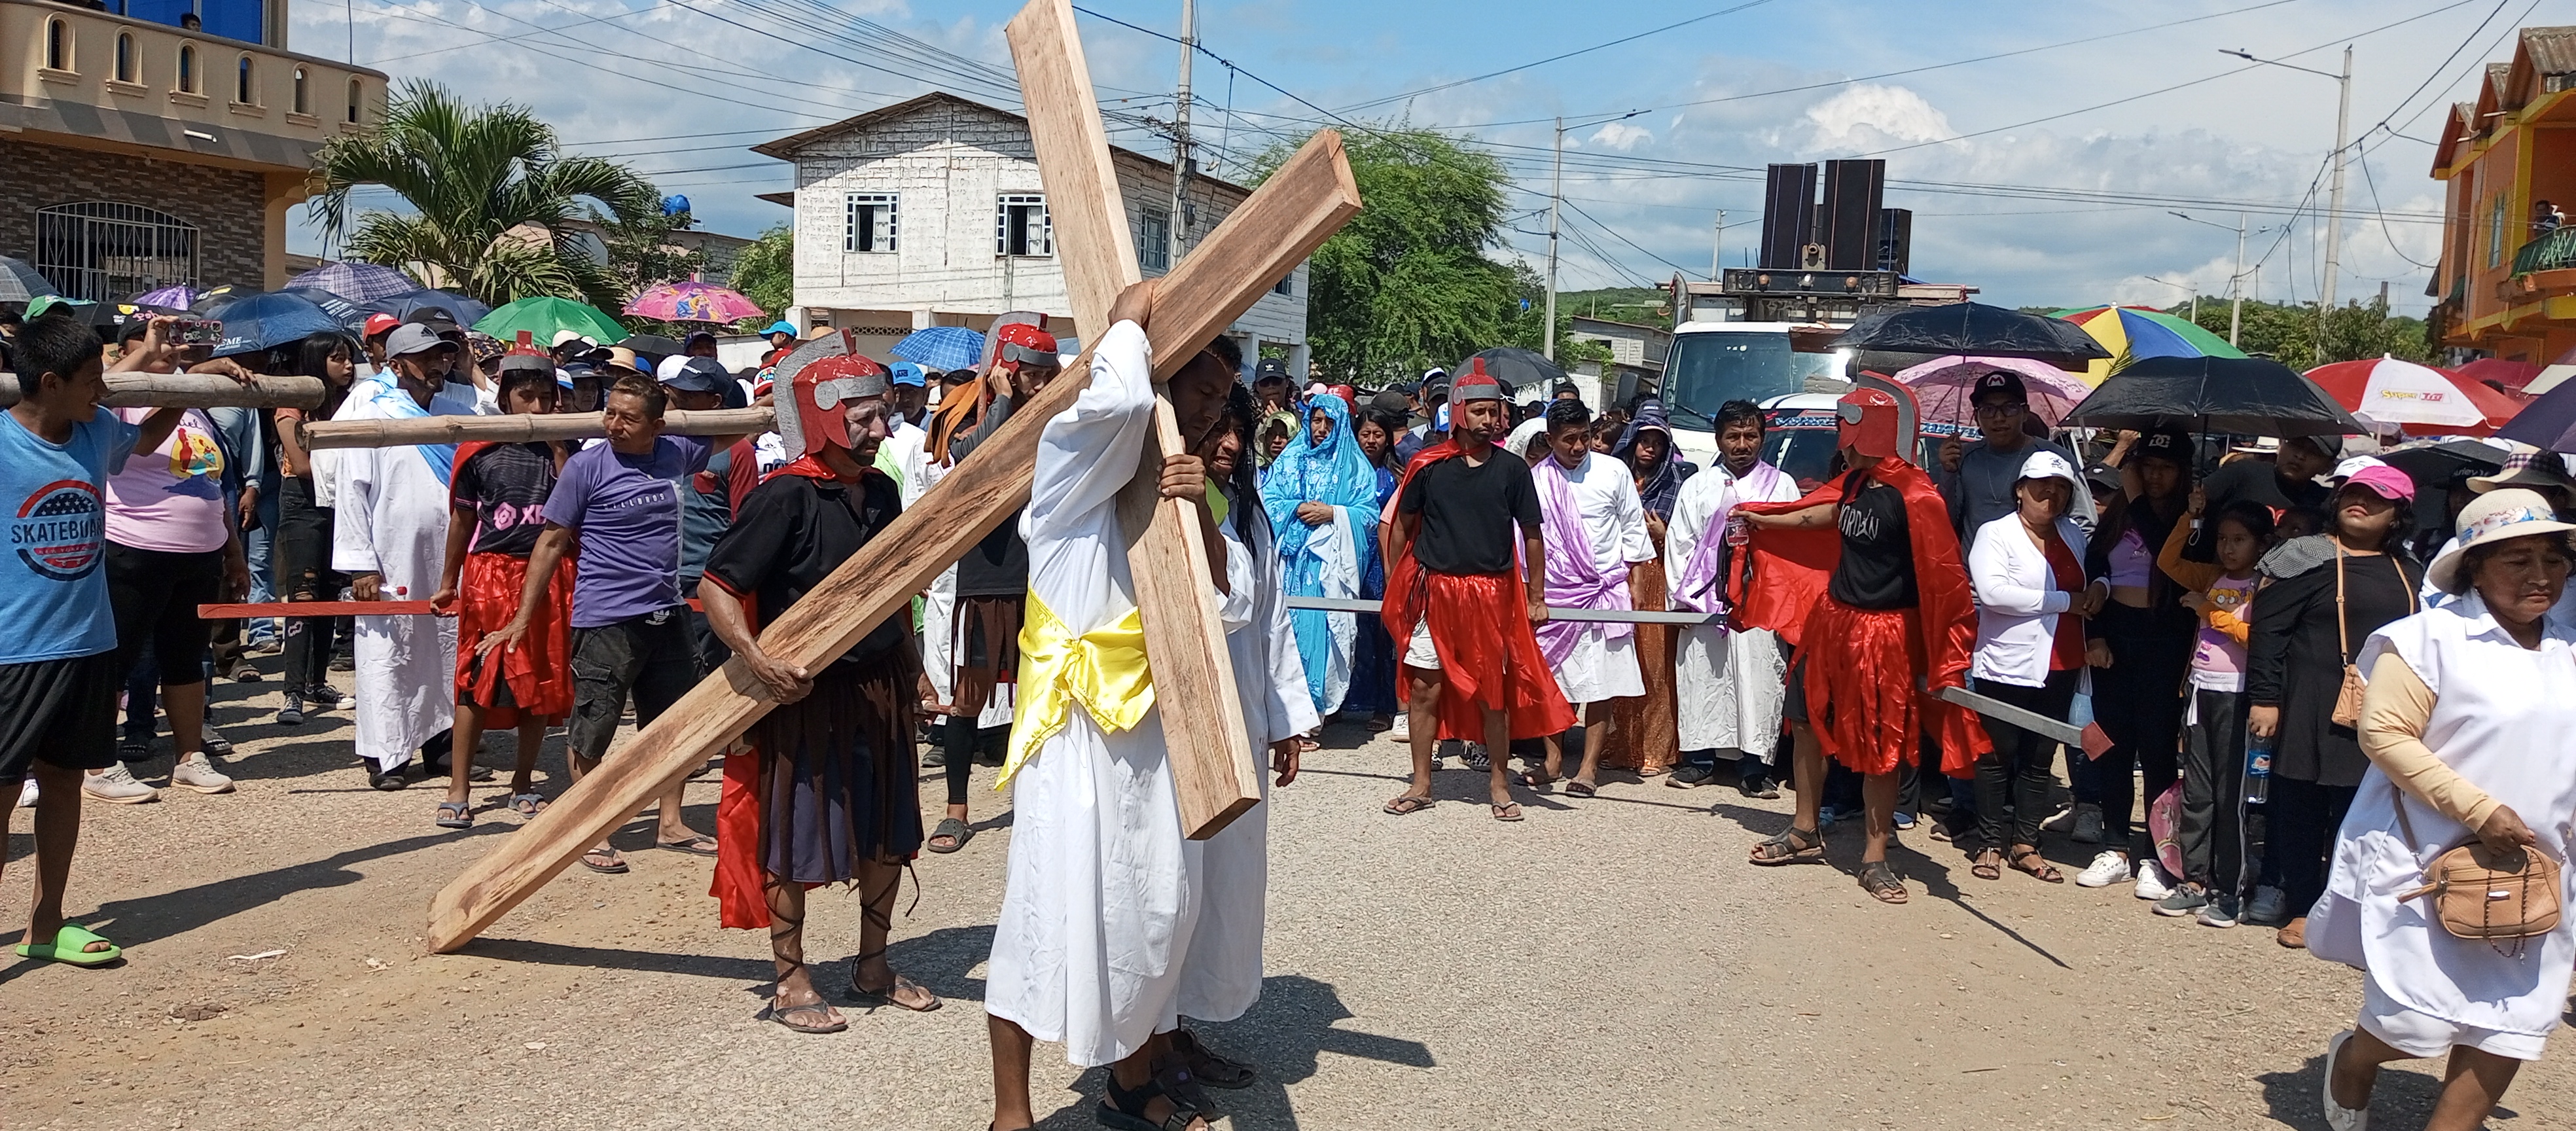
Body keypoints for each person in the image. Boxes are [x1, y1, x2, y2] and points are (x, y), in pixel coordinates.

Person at [984, 283, 1312, 1131]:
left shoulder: (1183, 490)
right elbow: (1119, 406)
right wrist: (1127, 327)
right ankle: (1012, 1112)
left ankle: (1130, 1085)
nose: (1212, 413)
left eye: (1222, 398)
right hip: (1079, 739)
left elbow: (1235, 601)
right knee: (1044, 914)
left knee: (1151, 914)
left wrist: (1194, 508)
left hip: (1158, 743)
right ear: (1159, 382)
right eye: (1201, 392)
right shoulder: (1067, 486)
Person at [2310, 488, 2575, 1131]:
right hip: (2427, 861)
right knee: (2414, 1021)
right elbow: (2384, 734)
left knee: (2512, 1023)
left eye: (2553, 558)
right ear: (2474, 568)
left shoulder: (2569, 649)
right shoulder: (2425, 640)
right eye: (2518, 560)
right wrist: (2478, 809)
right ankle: (2355, 1061)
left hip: (2540, 870)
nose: (2541, 575)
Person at [700, 351, 940, 1032]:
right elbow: (717, 588)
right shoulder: (784, 497)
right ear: (822, 417)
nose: (880, 431)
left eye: (882, 415)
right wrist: (756, 658)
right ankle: (790, 978)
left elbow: (891, 593)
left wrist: (915, 669)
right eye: (863, 418)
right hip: (804, 697)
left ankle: (874, 965)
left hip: (879, 688)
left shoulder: (882, 492)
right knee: (793, 833)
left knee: (887, 825)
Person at [1, 314, 217, 963]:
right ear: (49, 382)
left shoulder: (96, 431)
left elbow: (145, 438)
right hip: (15, 649)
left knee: (64, 782)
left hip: (88, 640)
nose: (105, 391)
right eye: (92, 380)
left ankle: (45, 925)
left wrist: (186, 382)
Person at [1736, 378, 1988, 905]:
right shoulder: (1855, 483)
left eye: (1846, 430)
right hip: (1833, 622)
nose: (1840, 442)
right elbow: (1824, 513)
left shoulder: (1917, 495)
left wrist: (1944, 652)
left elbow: (1944, 578)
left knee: (1881, 746)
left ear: (1870, 431)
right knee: (1806, 721)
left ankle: (1875, 857)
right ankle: (1804, 830)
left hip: (1885, 634)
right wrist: (1762, 518)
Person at [483, 374, 721, 872]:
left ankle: (670, 823)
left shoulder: (675, 453)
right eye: (610, 413)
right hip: (607, 617)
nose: (613, 424)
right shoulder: (587, 466)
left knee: (674, 725)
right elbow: (551, 541)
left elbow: (735, 428)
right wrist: (521, 618)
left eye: (628, 418)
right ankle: (591, 828)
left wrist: (772, 403)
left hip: (667, 611)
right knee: (594, 727)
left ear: (656, 425)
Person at [1379, 363, 1575, 821]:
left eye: (1495, 412)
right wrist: (1396, 583)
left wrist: (1537, 596)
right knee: (1424, 689)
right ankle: (1421, 784)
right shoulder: (1428, 466)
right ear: (1459, 412)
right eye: (1480, 411)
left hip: (1490, 595)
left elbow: (1532, 535)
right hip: (1433, 592)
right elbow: (1402, 526)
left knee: (1493, 695)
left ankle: (1499, 786)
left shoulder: (1512, 469)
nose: (1491, 420)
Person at [2247, 463, 2423, 946]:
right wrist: (2265, 698)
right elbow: (2268, 632)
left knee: (2365, 813)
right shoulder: (2304, 556)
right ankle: (2304, 906)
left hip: (2381, 705)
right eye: (2353, 494)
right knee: (2301, 808)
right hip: (2308, 701)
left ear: (2397, 514)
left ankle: (2353, 912)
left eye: (2376, 498)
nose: (2360, 503)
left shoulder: (2409, 569)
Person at [89, 319, 255, 800]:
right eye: (156, 345)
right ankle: (98, 764)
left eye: (173, 345)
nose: (167, 351)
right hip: (134, 545)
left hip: (199, 551)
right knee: (117, 659)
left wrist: (233, 551)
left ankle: (189, 756)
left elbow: (210, 483)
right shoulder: (119, 399)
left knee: (186, 658)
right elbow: (102, 390)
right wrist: (150, 356)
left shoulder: (192, 402)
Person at [921, 323, 1058, 854]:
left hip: (1041, 571)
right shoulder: (968, 410)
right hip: (985, 574)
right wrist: (1001, 400)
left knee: (1039, 694)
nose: (1040, 384)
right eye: (1031, 374)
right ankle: (956, 810)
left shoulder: (1056, 412)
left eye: (1047, 374)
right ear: (1008, 369)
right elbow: (974, 461)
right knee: (968, 698)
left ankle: (1038, 802)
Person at [333, 325, 484, 789]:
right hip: (390, 554)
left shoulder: (458, 415)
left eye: (441, 356)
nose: (436, 364)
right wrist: (361, 562)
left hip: (449, 553)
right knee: (389, 649)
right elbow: (352, 490)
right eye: (425, 357)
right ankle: (386, 754)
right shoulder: (372, 413)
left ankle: (441, 743)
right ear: (396, 366)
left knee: (445, 644)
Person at [427, 357, 573, 829]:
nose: (536, 406)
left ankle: (523, 783)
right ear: (505, 398)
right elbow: (462, 520)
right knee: (477, 680)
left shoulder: (569, 447)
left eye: (545, 397)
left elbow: (576, 510)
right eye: (526, 396)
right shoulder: (479, 449)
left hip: (550, 575)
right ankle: (458, 787)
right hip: (491, 575)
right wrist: (448, 582)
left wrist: (559, 449)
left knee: (540, 681)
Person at [2073, 427, 2199, 895]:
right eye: (2147, 468)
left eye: (2166, 468)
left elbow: (2169, 557)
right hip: (2116, 635)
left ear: (2182, 473)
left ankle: (2156, 855)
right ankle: (2115, 847)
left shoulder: (2190, 520)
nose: (2155, 476)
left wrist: (2141, 499)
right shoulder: (2121, 513)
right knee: (2112, 745)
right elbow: (2096, 565)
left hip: (2165, 639)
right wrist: (2096, 635)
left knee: (2158, 750)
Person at [1963, 451, 2098, 884]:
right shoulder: (1996, 533)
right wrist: (2066, 602)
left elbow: (2092, 576)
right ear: (2020, 489)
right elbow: (1993, 593)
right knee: (1996, 756)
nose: (2051, 495)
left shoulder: (2072, 533)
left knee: (2041, 759)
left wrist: (2099, 588)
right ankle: (1989, 842)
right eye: (2042, 486)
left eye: (2061, 489)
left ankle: (2025, 844)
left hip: (2062, 662)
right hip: (2006, 665)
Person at [1668, 399, 1802, 793]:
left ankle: (1755, 768)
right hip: (1706, 601)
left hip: (1761, 603)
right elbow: (1680, 542)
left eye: (1750, 436)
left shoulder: (1782, 485)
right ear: (1718, 440)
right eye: (1733, 437)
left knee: (1758, 680)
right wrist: (1686, 600)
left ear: (1762, 438)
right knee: (1703, 678)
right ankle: (1699, 761)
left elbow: (1792, 544)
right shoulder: (1698, 486)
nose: (1742, 445)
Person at [1522, 399, 1653, 794]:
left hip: (1604, 592)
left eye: (1584, 437)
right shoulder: (1535, 480)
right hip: (1555, 594)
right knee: (1554, 679)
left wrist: (1637, 583)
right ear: (1550, 440)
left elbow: (1633, 528)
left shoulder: (1613, 471)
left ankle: (1588, 768)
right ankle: (1553, 760)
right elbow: (1525, 539)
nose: (1578, 447)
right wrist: (1531, 593)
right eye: (1568, 440)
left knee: (1601, 681)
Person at [1259, 389, 1380, 725]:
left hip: (1329, 566)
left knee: (1322, 634)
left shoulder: (1355, 467)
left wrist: (1335, 513)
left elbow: (1368, 514)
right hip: (1289, 564)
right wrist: (1296, 507)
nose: (1321, 429)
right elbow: (1268, 500)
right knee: (1284, 634)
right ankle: (1284, 716)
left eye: (1329, 423)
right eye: (1316, 420)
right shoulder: (1290, 459)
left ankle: (1312, 717)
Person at [270, 331, 359, 726]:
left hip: (339, 502)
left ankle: (318, 681)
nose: (348, 366)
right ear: (315, 361)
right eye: (338, 358)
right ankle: (292, 691)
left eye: (349, 357)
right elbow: (303, 465)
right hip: (302, 502)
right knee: (303, 596)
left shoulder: (349, 404)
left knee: (329, 594)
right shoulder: (292, 406)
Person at [1603, 399, 1690, 778]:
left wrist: (1663, 534)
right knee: (1621, 661)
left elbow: (1692, 541)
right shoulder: (1615, 477)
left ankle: (1656, 749)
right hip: (1618, 577)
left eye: (1658, 442)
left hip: (1657, 578)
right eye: (1644, 440)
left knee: (1655, 665)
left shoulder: (1676, 484)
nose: (1649, 449)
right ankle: (1621, 746)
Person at [1934, 369, 2095, 537]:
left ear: (2025, 413)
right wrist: (1948, 472)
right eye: (1988, 409)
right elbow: (1945, 521)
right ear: (1976, 417)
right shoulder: (1963, 457)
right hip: (1972, 555)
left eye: (2009, 408)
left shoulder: (2055, 458)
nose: (1999, 418)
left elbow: (2084, 523)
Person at [1341, 408, 1405, 730]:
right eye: (1365, 434)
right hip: (1350, 556)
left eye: (1377, 434)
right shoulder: (1345, 472)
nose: (1371, 440)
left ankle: (1384, 704)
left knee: (1382, 632)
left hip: (1382, 560)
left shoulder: (1397, 475)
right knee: (1347, 628)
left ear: (1388, 439)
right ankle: (1343, 700)